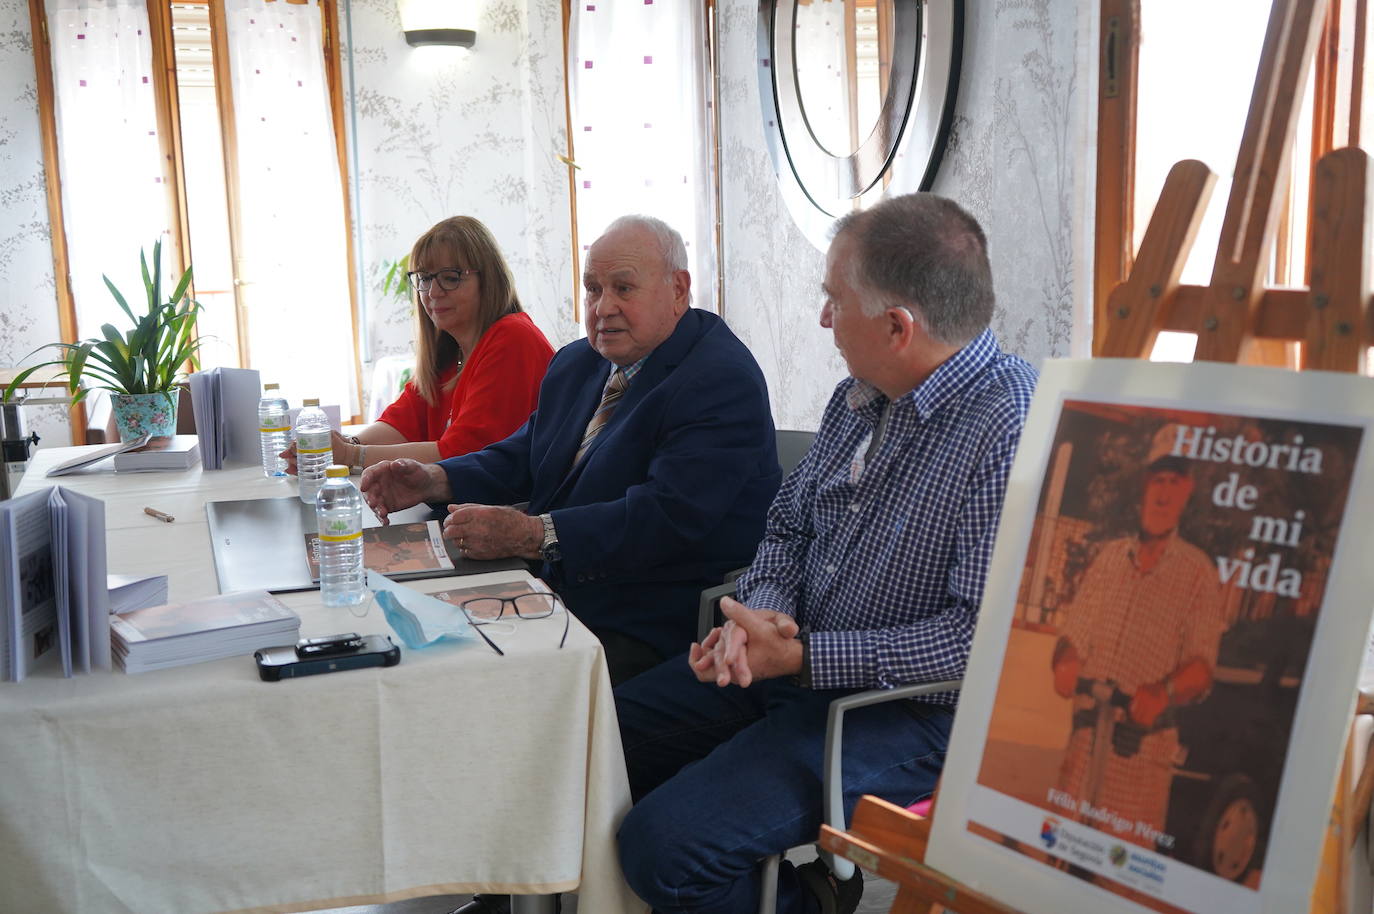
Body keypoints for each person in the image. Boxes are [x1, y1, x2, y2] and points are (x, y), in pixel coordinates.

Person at [613, 193, 1038, 914]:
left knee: (664, 851)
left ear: (897, 327)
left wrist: (807, 656)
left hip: (908, 716)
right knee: (596, 744)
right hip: (792, 670)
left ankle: (807, 902)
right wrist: (765, 620)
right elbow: (786, 528)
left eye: (833, 301)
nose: (822, 319)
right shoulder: (860, 395)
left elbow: (978, 645)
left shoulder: (1012, 429)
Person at [360, 214, 781, 685]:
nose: (603, 307)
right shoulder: (580, 360)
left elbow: (664, 517)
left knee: (460, 680)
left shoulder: (719, 379)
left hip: (647, 616)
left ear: (679, 290)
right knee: (392, 641)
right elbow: (526, 452)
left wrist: (534, 534)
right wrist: (436, 478)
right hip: (546, 589)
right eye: (593, 289)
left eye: (623, 289)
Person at [1050, 423, 1225, 850]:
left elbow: (1201, 668)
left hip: (1141, 753)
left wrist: (1163, 692)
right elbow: (1074, 633)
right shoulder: (1110, 558)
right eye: (1158, 479)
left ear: (1187, 492)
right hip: (1087, 740)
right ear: (1145, 485)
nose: (1164, 492)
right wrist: (1067, 660)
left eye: (1175, 481)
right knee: (1054, 855)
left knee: (1119, 876)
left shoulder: (1198, 573)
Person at [284, 216, 553, 473]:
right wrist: (338, 448)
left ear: (488, 280)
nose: (433, 293)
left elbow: (462, 454)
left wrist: (350, 456)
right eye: (424, 278)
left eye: (451, 277)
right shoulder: (450, 351)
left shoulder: (513, 338)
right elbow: (400, 424)